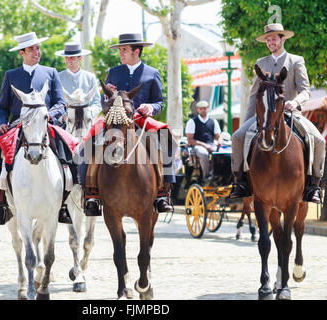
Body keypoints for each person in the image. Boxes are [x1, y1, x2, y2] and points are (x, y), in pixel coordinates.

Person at [229, 23, 325, 203]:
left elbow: (305, 91)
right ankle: (240, 182)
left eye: (274, 38)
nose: (270, 42)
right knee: (237, 136)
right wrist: (248, 121)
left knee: (319, 140)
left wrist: (294, 102)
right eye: (268, 39)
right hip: (264, 116)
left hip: (290, 113)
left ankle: (314, 186)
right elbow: (253, 95)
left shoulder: (296, 61)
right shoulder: (261, 63)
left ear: (283, 39)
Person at [82, 33, 175, 216]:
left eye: (124, 49)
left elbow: (158, 102)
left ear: (136, 51)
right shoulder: (114, 72)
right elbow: (103, 101)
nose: (120, 53)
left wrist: (151, 107)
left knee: (164, 138)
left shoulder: (152, 73)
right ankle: (91, 194)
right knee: (90, 141)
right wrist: (107, 97)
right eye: (120, 50)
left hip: (140, 120)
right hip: (115, 122)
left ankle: (163, 194)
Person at [0, 31, 67, 223]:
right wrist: (2, 122)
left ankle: (65, 202)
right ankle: (0, 203)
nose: (37, 52)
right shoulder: (11, 75)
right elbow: (2, 107)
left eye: (37, 48)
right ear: (22, 53)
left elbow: (60, 103)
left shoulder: (51, 73)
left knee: (70, 152)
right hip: (16, 128)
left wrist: (48, 116)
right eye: (31, 49)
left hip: (46, 125)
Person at [56, 42, 102, 137]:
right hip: (65, 126)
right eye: (66, 58)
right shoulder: (58, 77)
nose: (69, 60)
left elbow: (97, 103)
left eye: (72, 57)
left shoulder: (90, 77)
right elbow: (56, 102)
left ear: (80, 58)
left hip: (87, 126)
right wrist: (63, 116)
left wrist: (88, 114)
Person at [185, 100, 222, 179]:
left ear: (207, 109)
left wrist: (219, 141)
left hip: (212, 144)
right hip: (198, 146)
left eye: (204, 108)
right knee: (204, 153)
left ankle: (221, 175)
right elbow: (190, 140)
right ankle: (206, 176)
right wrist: (205, 145)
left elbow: (218, 136)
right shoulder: (192, 122)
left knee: (224, 153)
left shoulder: (214, 121)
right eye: (201, 109)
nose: (203, 110)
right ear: (198, 110)